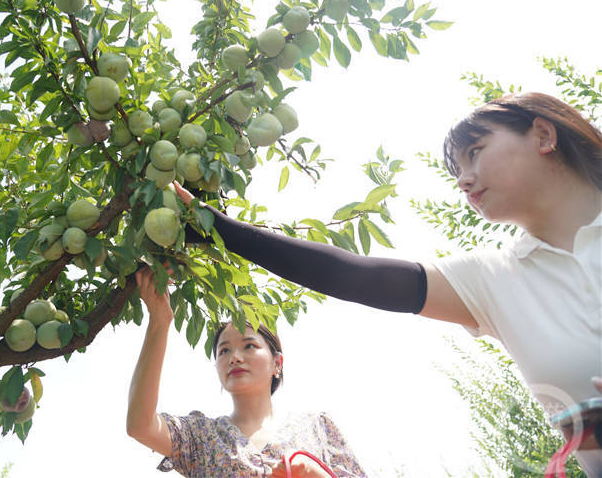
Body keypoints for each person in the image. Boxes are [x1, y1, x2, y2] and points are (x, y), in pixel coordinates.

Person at [173, 92, 602, 475]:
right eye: (457, 168)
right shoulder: (497, 279)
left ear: (543, 135)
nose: (463, 179)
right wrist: (219, 229)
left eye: (475, 151)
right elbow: (354, 275)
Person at [126, 266, 368, 477]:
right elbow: (140, 425)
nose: (235, 357)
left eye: (249, 346)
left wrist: (314, 474)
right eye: (224, 351)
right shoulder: (200, 436)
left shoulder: (317, 429)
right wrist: (159, 322)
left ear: (278, 363)